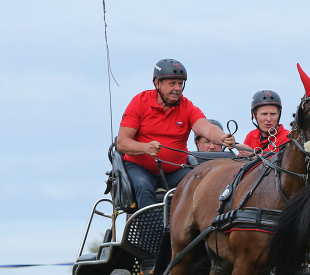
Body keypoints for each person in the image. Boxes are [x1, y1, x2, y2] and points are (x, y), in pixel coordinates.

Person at [116, 59, 235, 209]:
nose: (178, 88)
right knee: (143, 186)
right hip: (139, 167)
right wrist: (145, 148)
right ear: (157, 83)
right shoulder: (140, 102)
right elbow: (122, 142)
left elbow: (207, 128)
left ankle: (189, 230)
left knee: (196, 185)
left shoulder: (187, 107)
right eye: (172, 83)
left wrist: (222, 138)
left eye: (180, 84)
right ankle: (150, 230)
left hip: (175, 170)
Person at [241, 90, 290, 156]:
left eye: (273, 114)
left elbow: (282, 166)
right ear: (254, 115)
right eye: (264, 114)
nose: (269, 119)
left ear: (279, 115)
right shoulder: (251, 135)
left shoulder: (287, 137)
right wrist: (232, 144)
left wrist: (253, 156)